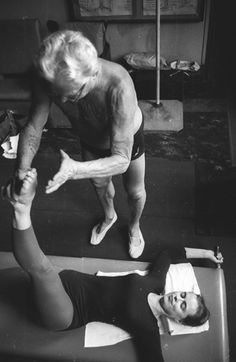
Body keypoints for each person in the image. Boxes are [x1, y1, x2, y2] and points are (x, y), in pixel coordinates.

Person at [3, 169, 223, 362]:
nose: (178, 298)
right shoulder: (155, 281)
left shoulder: (147, 327)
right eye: (184, 295)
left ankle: (21, 208)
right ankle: (20, 207)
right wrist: (207, 254)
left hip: (67, 312)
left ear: (177, 319)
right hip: (67, 282)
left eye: (183, 306)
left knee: (42, 270)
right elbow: (170, 253)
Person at [15, 30, 146, 258]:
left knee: (135, 192)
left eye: (72, 95)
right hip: (89, 139)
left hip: (127, 143)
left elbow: (121, 160)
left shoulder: (119, 85)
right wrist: (21, 171)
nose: (63, 102)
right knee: (99, 185)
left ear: (92, 74)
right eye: (59, 95)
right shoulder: (49, 76)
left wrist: (75, 169)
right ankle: (109, 216)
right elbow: (34, 128)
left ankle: (134, 227)